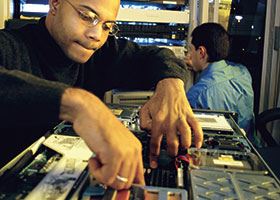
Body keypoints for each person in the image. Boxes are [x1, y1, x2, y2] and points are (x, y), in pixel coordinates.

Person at [0, 0, 203, 190]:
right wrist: (79, 105)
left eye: (107, 26)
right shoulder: (10, 46)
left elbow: (159, 57)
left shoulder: (102, 52)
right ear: (55, 3)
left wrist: (171, 85)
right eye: (87, 16)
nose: (97, 34)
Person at [185, 22, 254, 138]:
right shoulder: (243, 72)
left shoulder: (197, 95)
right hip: (251, 144)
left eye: (190, 50)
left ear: (201, 52)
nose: (188, 55)